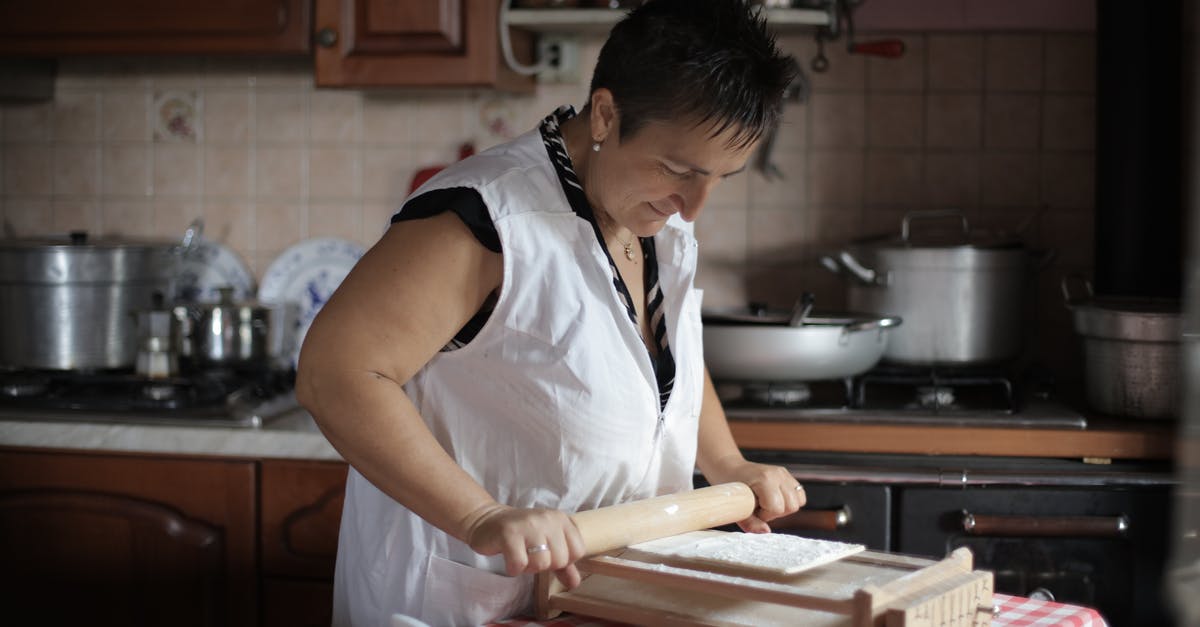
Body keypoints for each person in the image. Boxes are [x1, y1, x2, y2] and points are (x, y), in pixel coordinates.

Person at [296, 1, 805, 624]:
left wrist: (725, 464)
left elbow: (661, 364)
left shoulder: (649, 209)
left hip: (594, 599)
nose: (694, 206)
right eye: (679, 170)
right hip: (461, 600)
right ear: (606, 114)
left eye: (722, 177)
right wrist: (481, 517)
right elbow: (336, 372)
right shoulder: (484, 221)